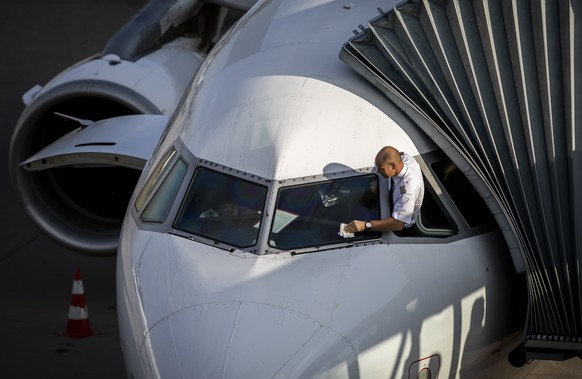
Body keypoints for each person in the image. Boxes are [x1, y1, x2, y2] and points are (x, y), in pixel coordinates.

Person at [343, 146, 424, 236]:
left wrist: (366, 225)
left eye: (381, 169)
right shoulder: (405, 158)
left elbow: (398, 224)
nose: (377, 172)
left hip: (399, 227)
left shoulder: (408, 191)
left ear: (393, 166)